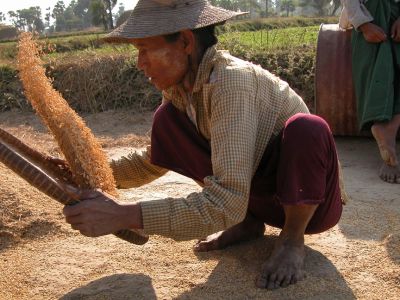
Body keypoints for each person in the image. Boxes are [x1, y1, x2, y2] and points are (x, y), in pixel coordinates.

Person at [62, 0, 345, 290]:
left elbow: (227, 201)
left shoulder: (231, 81)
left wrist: (123, 214)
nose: (140, 63)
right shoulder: (181, 90)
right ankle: (248, 223)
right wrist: (89, 172)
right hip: (255, 201)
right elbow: (154, 160)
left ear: (185, 41)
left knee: (307, 128)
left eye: (145, 48)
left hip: (308, 202)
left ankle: (291, 238)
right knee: (167, 120)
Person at [340, 0, 400, 183]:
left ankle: (389, 129)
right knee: (380, 67)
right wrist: (364, 25)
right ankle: (384, 129)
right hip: (368, 14)